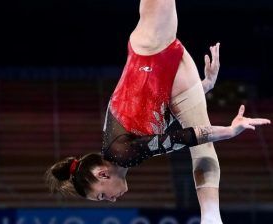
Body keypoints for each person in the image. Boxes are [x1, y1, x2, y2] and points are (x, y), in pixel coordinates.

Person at [45, 1, 271, 223]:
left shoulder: (121, 153)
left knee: (200, 141)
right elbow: (160, 116)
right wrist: (206, 86)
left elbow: (186, 136)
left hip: (149, 50)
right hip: (169, 84)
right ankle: (211, 218)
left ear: (102, 174)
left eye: (102, 195)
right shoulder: (125, 155)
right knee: (202, 146)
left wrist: (230, 131)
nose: (111, 200)